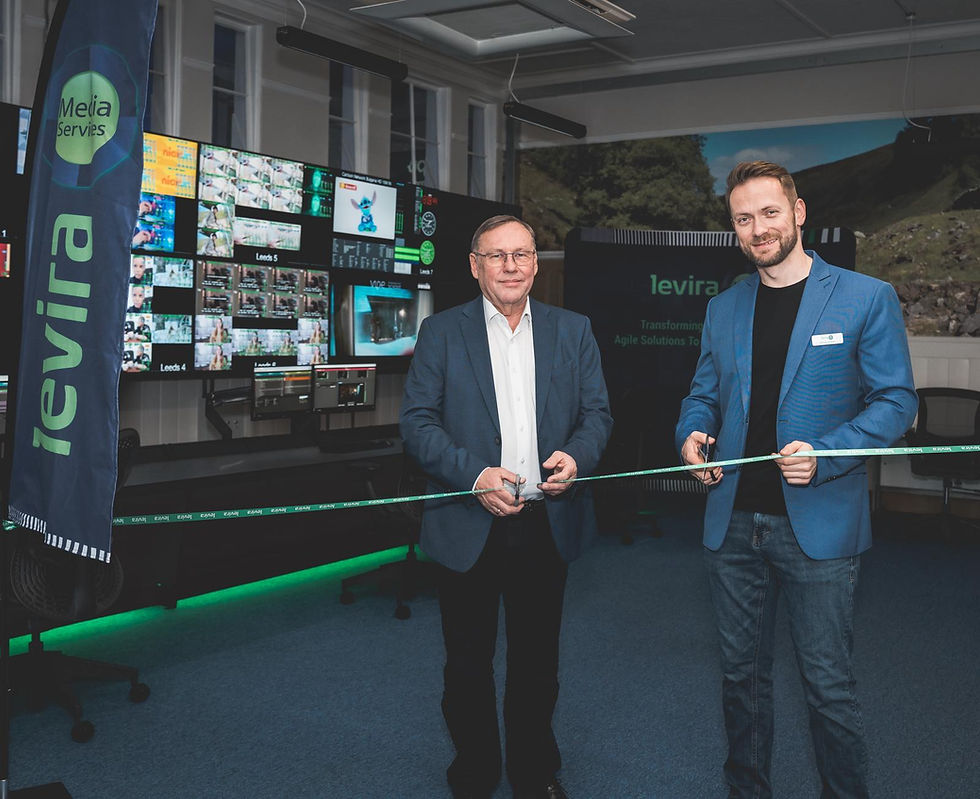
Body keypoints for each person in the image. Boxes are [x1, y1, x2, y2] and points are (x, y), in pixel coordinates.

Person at [675, 161, 918, 799]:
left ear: (799, 212)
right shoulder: (723, 306)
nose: (759, 228)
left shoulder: (866, 297)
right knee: (741, 682)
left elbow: (895, 403)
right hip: (731, 526)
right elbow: (703, 395)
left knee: (828, 689)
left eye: (769, 213)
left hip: (819, 526)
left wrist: (828, 453)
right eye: (744, 219)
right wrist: (691, 435)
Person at [401, 215, 613, 799]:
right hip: (467, 526)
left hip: (547, 524)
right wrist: (473, 476)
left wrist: (576, 457)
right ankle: (473, 773)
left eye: (521, 254)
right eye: (497, 256)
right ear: (475, 266)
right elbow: (416, 424)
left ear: (536, 264)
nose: (511, 266)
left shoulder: (574, 330)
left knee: (537, 665)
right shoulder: (442, 333)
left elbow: (597, 415)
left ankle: (533, 772)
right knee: (466, 666)